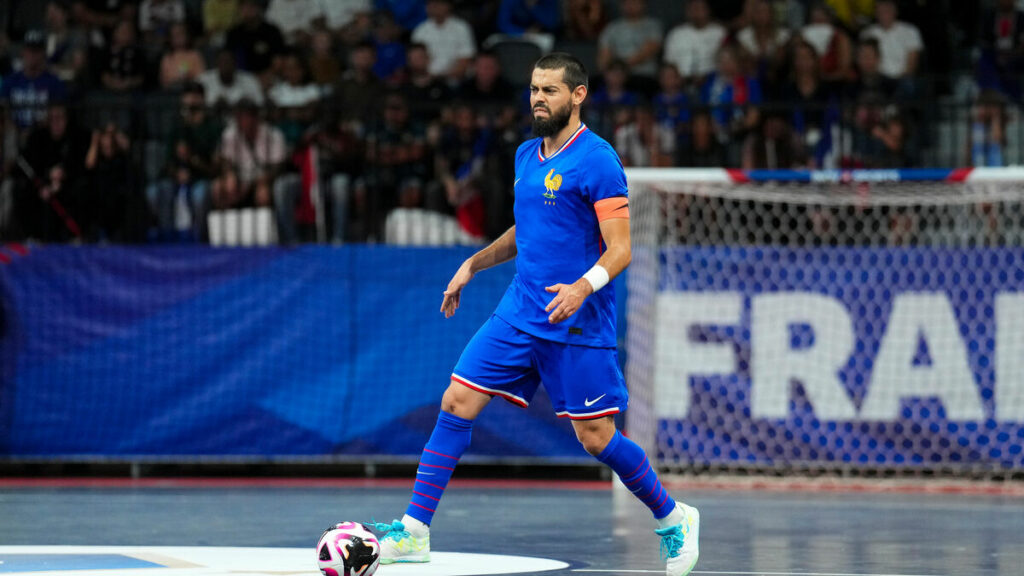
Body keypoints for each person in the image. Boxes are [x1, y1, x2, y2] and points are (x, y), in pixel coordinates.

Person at [365, 52, 700, 576]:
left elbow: (621, 250)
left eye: (550, 90)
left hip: (577, 320)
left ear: (578, 95)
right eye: (534, 89)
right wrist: (472, 264)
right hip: (520, 310)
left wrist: (582, 288)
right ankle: (413, 531)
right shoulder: (526, 155)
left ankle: (674, 516)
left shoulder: (598, 160)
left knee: (595, 438)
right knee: (457, 399)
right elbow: (527, 233)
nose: (539, 99)